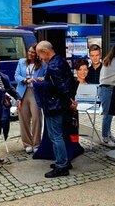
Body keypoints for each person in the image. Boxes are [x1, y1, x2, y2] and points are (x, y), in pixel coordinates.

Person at [36, 40, 78, 178]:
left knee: (55, 136)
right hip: (60, 104)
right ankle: (63, 161)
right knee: (58, 135)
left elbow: (62, 88)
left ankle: (61, 166)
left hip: (54, 105)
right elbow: (69, 82)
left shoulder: (53, 66)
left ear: (45, 51)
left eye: (40, 55)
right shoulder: (60, 60)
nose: (40, 58)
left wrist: (69, 102)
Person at [14, 44, 46, 154]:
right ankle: (27, 143)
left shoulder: (42, 64)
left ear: (37, 54)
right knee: (24, 118)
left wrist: (41, 79)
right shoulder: (21, 61)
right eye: (29, 51)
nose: (30, 54)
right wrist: (25, 80)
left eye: (33, 52)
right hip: (23, 91)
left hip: (35, 92)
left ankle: (37, 143)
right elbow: (16, 75)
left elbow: (47, 76)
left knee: (37, 117)